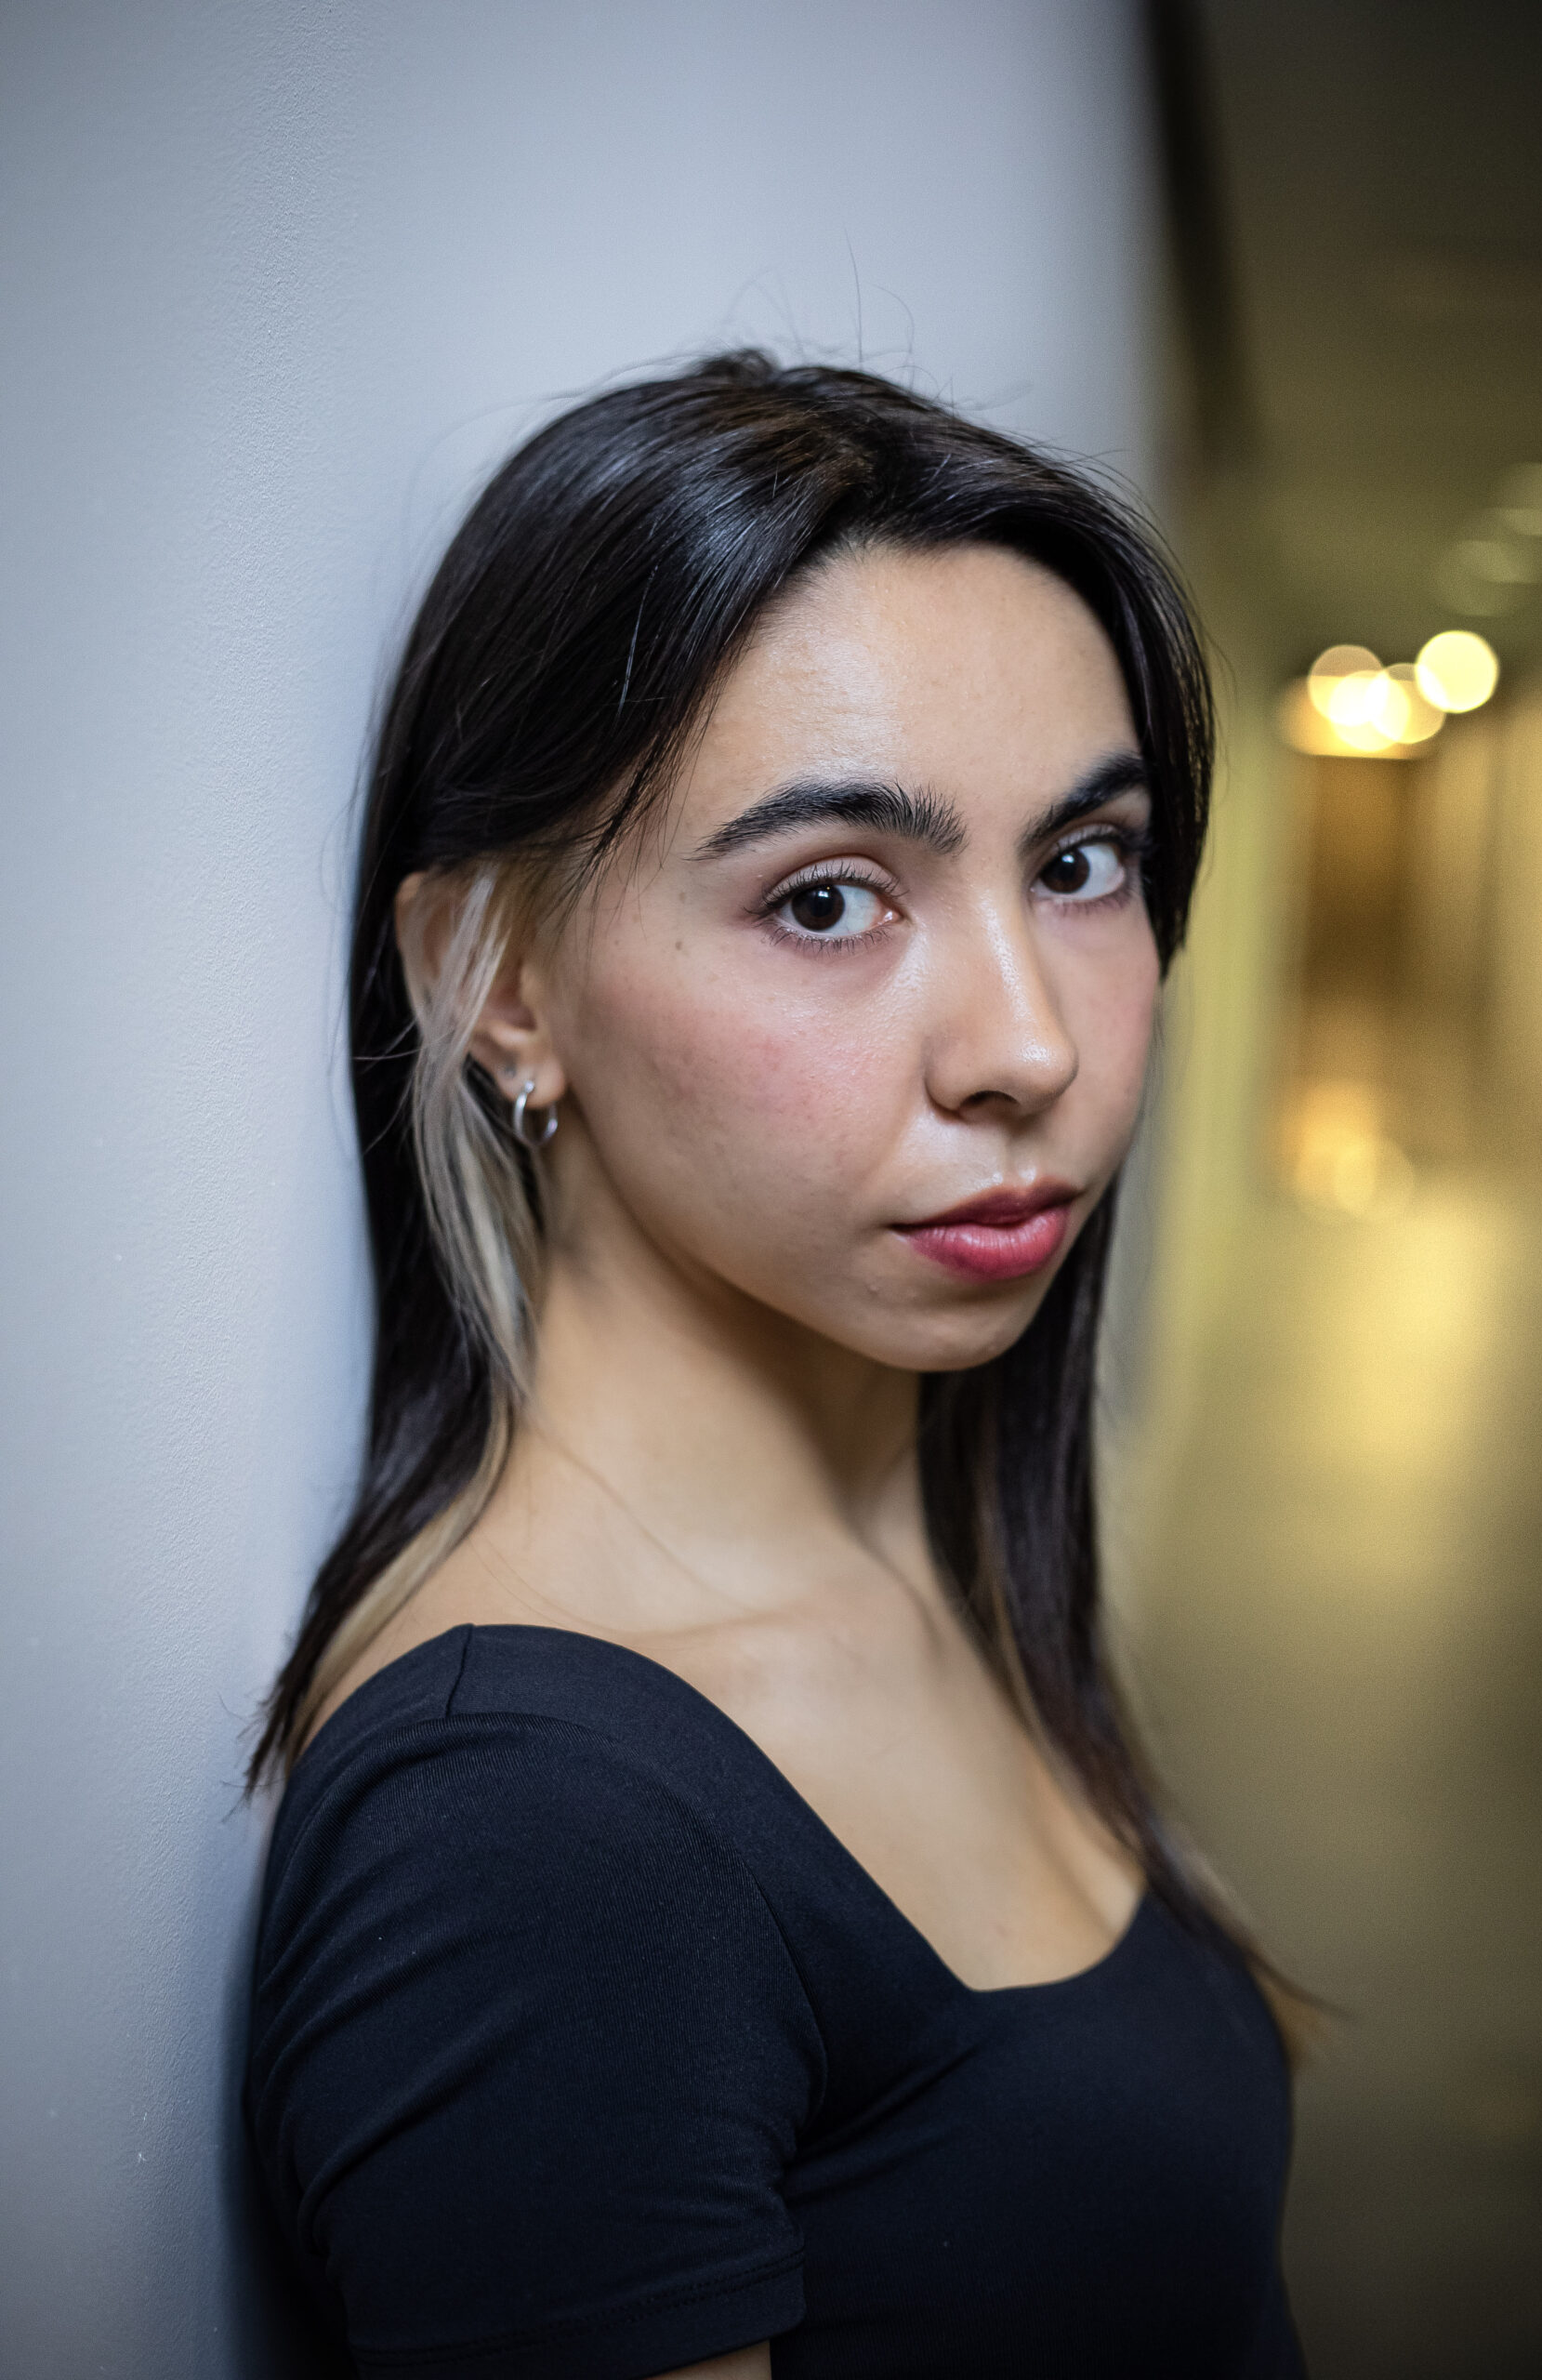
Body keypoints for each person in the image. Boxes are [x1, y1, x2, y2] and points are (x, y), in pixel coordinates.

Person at [245, 353, 1305, 2379]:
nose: (1025, 1045)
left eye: (1079, 860)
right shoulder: (536, 1841)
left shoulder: (916, 1517)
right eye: (828, 900)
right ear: (501, 979)